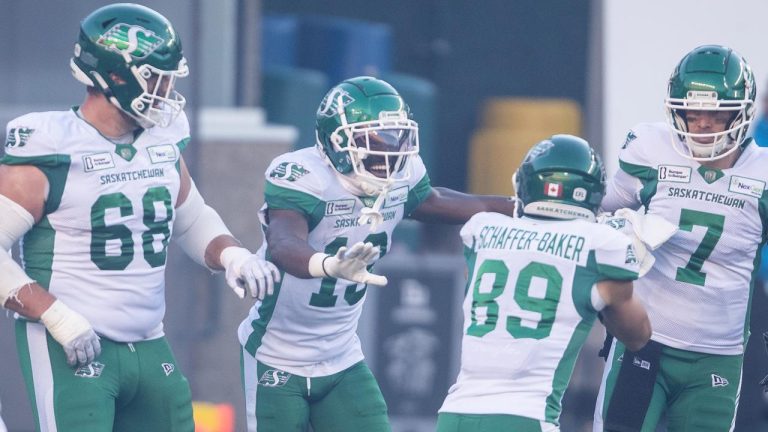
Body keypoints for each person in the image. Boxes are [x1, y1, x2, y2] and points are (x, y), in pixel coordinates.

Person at [0, 4, 279, 431]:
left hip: (149, 341)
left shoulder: (162, 137)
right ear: (115, 74)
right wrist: (56, 315)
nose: (166, 90)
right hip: (70, 341)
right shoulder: (51, 148)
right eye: (157, 77)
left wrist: (234, 257)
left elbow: (190, 217)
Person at [237, 75, 519, 432]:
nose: (388, 153)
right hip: (276, 355)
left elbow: (441, 201)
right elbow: (283, 245)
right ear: (337, 142)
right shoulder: (303, 175)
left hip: (341, 356)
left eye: (395, 137)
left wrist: (525, 207)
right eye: (374, 141)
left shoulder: (401, 178)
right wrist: (328, 265)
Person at [593, 45, 764, 432]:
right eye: (693, 111)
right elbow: (599, 207)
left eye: (717, 113)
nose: (703, 123)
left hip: (717, 357)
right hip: (644, 340)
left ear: (740, 111)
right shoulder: (651, 148)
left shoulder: (763, 173)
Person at [435, 134, 652, 432]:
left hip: (455, 415)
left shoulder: (483, 229)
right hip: (525, 417)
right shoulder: (601, 246)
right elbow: (638, 336)